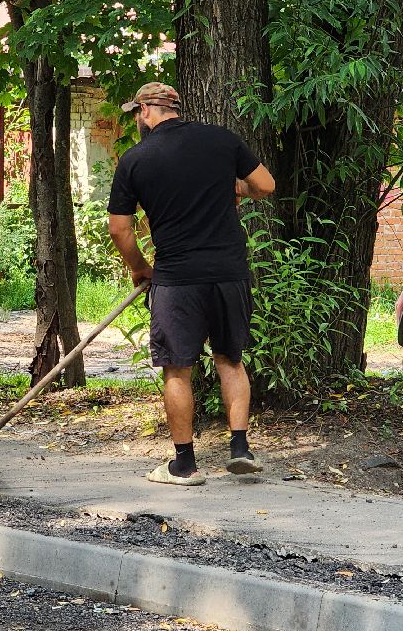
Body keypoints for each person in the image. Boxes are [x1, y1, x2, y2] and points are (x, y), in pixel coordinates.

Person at [107, 82, 276, 486]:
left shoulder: (135, 159)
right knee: (230, 360)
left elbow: (119, 229)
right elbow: (265, 186)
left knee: (177, 369)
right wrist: (237, 186)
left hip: (177, 278)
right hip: (229, 273)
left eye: (137, 113)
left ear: (146, 111)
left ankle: (184, 466)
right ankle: (240, 448)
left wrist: (140, 268)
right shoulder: (221, 140)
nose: (137, 119)